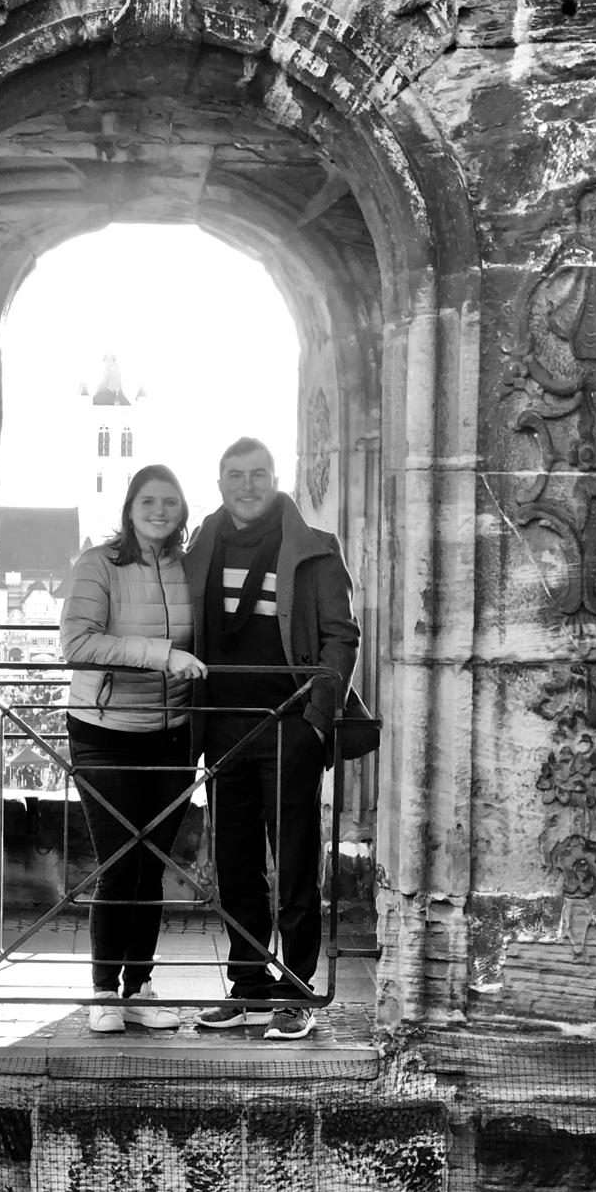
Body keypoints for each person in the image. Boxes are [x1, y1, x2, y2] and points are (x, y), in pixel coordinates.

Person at [184, 437, 359, 1040]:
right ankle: (248, 986)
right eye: (236, 475)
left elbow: (341, 637)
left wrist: (316, 720)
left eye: (258, 474)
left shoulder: (314, 548)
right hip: (223, 726)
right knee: (235, 864)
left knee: (295, 862)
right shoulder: (201, 546)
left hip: (289, 726)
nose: (247, 485)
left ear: (275, 478)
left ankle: (299, 990)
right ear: (220, 483)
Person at [60, 465, 207, 1034]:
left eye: (170, 501)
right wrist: (163, 655)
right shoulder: (98, 563)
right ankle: (103, 993)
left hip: (172, 735)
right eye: (148, 500)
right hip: (105, 730)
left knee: (150, 871)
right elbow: (77, 642)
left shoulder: (190, 567)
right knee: (119, 865)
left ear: (183, 510)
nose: (159, 510)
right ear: (129, 508)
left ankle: (139, 987)